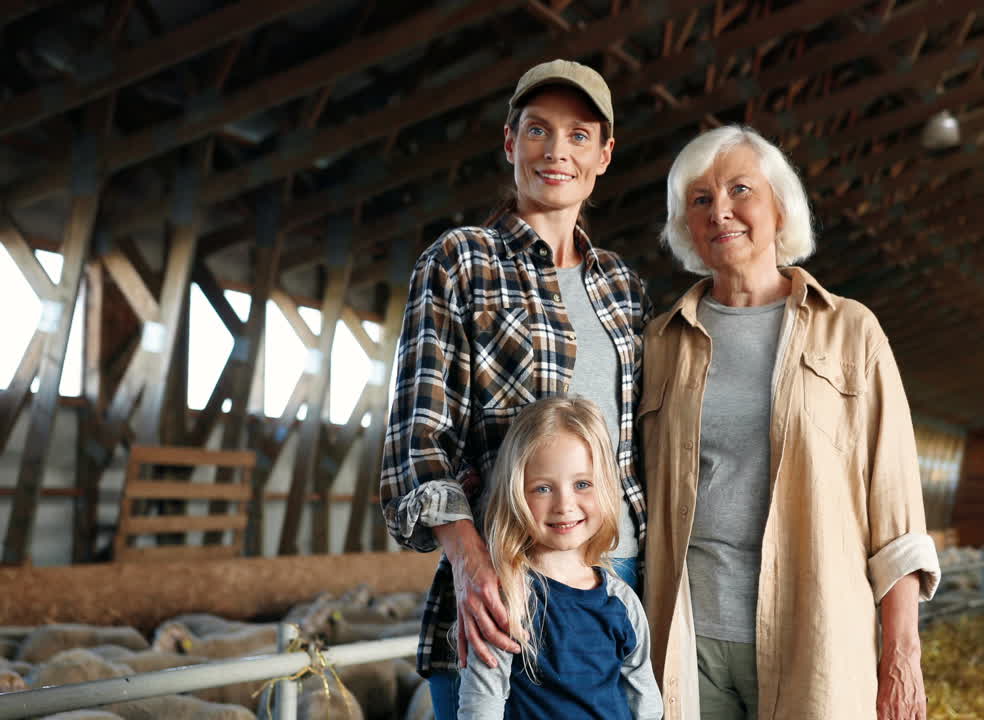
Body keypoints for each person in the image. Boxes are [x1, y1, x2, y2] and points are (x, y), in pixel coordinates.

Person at [638, 125, 942, 720]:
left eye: (739, 190)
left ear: (779, 206)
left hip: (815, 635)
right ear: (687, 227)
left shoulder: (850, 331)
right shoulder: (661, 342)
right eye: (699, 199)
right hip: (687, 640)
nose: (720, 210)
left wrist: (901, 653)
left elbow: (898, 511)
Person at [380, 59, 651, 720]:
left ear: (605, 155)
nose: (557, 151)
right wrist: (474, 566)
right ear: (510, 143)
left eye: (579, 135)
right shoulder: (460, 261)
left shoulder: (624, 288)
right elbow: (416, 441)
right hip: (507, 581)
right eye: (538, 130)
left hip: (618, 581)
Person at [456, 396, 662, 719]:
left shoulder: (622, 601)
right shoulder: (507, 599)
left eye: (582, 484)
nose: (564, 504)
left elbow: (646, 699)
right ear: (516, 493)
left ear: (605, 487)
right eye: (542, 488)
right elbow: (481, 705)